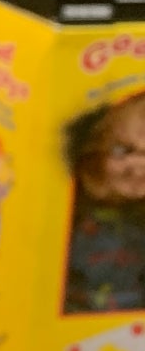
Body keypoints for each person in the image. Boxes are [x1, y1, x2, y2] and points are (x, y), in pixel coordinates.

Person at [64, 88, 145, 311]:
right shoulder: (73, 210)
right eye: (122, 150)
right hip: (72, 316)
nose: (138, 165)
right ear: (96, 152)